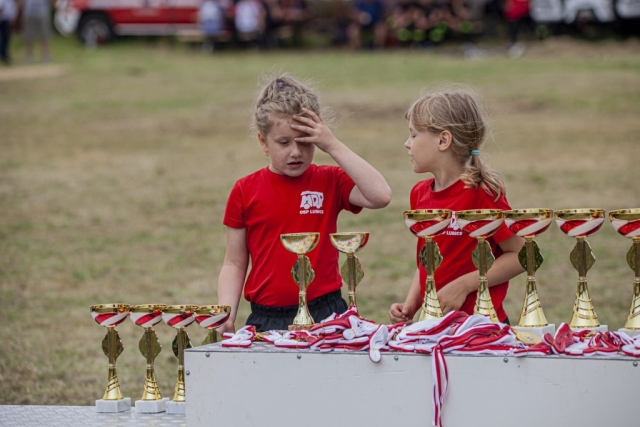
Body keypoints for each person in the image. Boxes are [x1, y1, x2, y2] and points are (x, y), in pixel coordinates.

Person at [217, 74, 392, 333]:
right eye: (284, 143)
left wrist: (332, 145)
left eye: (305, 142)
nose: (296, 152)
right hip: (266, 318)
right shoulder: (245, 190)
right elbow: (234, 262)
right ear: (263, 142)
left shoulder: (330, 180)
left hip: (326, 313)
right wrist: (226, 313)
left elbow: (381, 195)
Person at [389, 89, 524, 325]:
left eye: (413, 135)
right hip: (434, 326)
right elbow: (427, 260)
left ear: (443, 140)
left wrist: (464, 286)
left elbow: (521, 256)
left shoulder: (481, 193)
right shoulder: (419, 194)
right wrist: (411, 303)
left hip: (481, 328)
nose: (406, 144)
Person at [0, 0, 17, 65]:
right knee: (4, 38)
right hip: (3, 19)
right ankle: (2, 54)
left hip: (7, 19)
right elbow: (1, 7)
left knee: (6, 38)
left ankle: (4, 54)